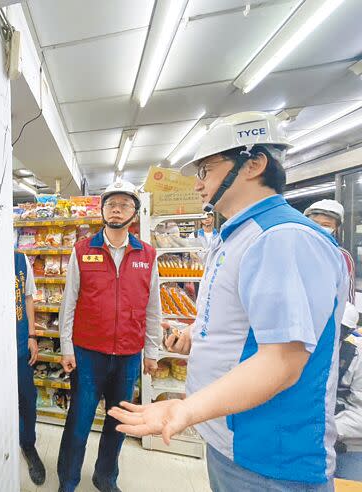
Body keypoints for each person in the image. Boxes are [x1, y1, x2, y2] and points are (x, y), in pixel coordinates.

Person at [108, 111, 349, 490]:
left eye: (206, 169)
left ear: (253, 164)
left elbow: (284, 360)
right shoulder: (237, 236)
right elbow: (248, 327)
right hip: (230, 438)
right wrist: (198, 334)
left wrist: (185, 409)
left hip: (269, 456)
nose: (199, 183)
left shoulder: (282, 238)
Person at [56, 180, 162, 492]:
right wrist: (66, 347)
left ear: (135, 213)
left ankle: (105, 478)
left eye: (125, 204)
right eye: (111, 204)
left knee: (118, 422)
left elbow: (153, 306)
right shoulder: (82, 249)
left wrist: (152, 351)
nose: (117, 209)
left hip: (129, 353)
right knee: (79, 420)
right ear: (102, 210)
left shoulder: (148, 254)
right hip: (88, 352)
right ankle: (68, 480)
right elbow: (69, 302)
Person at [14, 251, 45, 485]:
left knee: (27, 396)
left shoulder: (20, 259)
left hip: (19, 340)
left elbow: (27, 297)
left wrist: (32, 335)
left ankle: (28, 445)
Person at [305, 199, 356, 303]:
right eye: (314, 223)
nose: (318, 228)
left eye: (326, 225)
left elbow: (347, 296)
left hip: (328, 315)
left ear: (335, 228)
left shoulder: (343, 256)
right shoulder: (295, 249)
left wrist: (346, 316)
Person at [335, 302, 362, 481]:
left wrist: (327, 430)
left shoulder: (356, 356)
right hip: (304, 444)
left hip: (348, 446)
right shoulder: (303, 349)